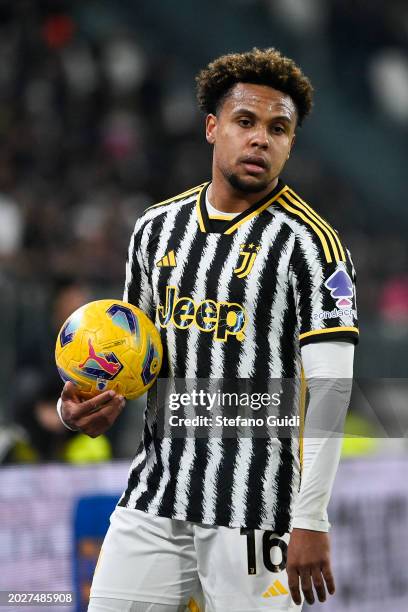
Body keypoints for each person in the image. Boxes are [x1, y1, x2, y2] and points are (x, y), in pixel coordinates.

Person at [58, 48, 359, 611]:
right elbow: (128, 360)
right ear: (212, 126)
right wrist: (80, 407)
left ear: (291, 143)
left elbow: (333, 389)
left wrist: (311, 517)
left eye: (279, 129)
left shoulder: (313, 248)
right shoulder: (154, 230)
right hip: (155, 498)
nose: (261, 140)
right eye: (246, 122)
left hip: (255, 511)